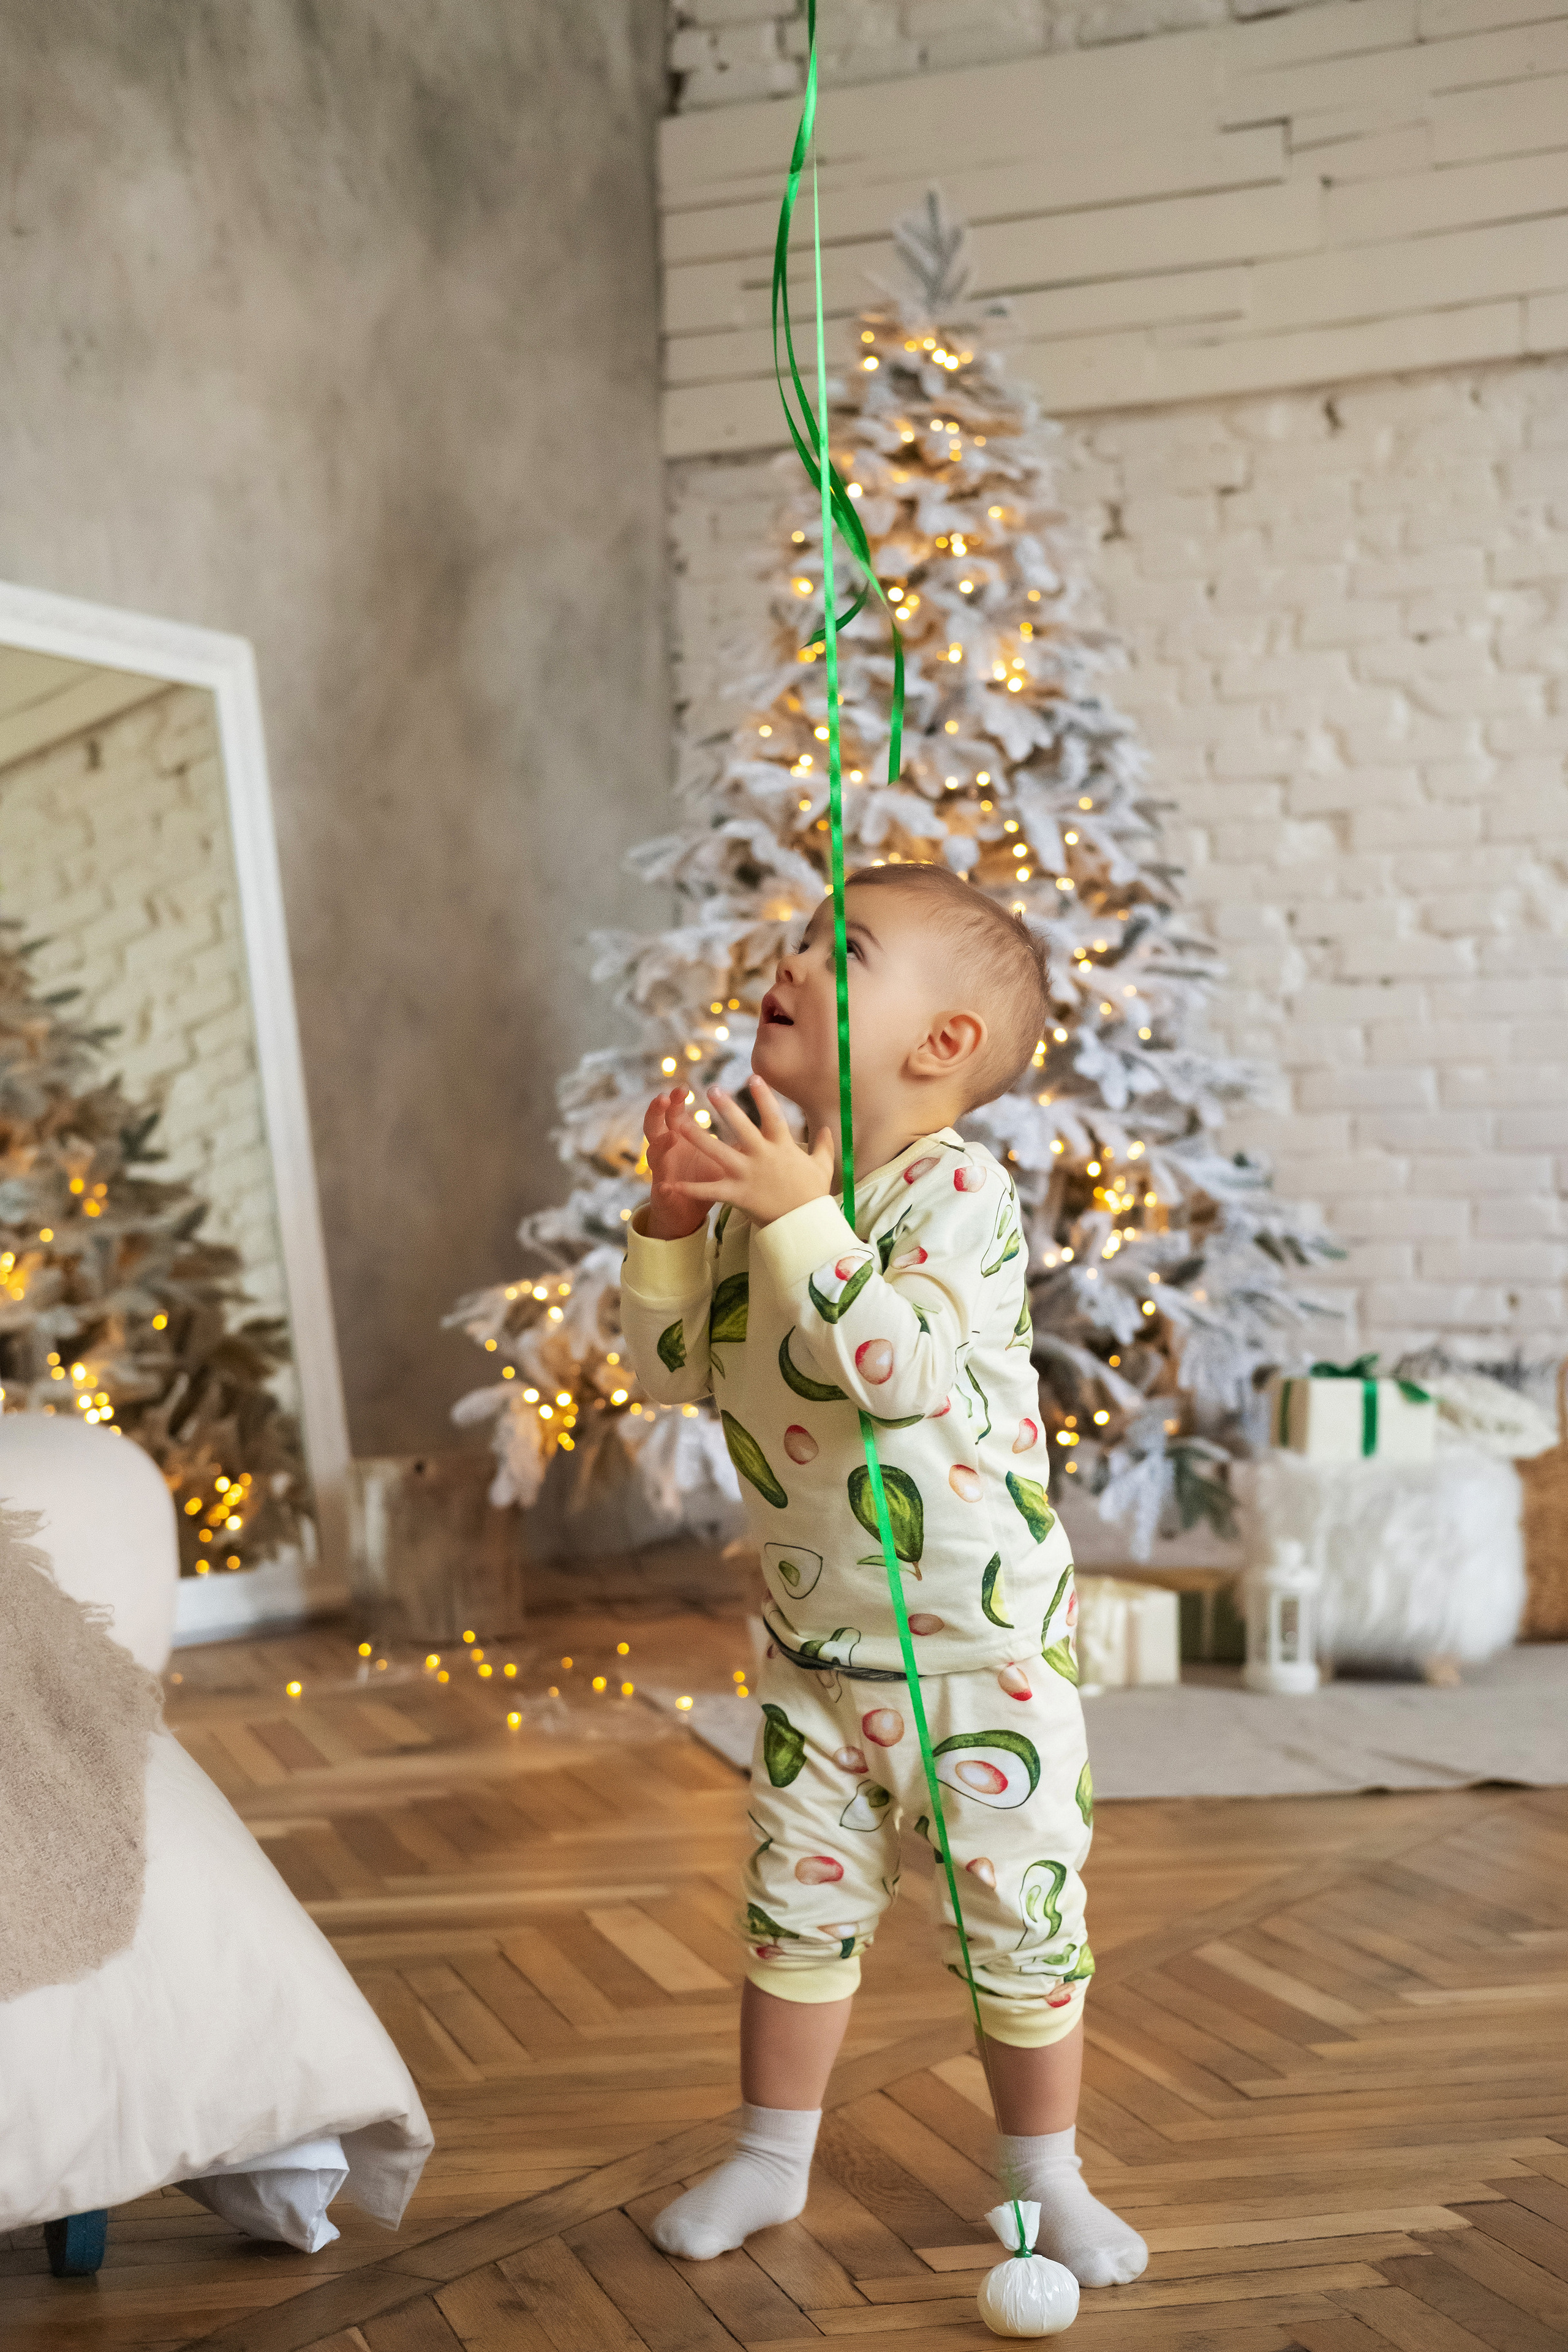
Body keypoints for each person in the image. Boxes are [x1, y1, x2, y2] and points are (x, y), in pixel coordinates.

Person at [620, 862, 1147, 2290]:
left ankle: (1043, 2183)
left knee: (1017, 1927)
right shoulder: (767, 1194)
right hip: (815, 1658)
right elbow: (670, 1372)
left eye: (836, 949)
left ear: (939, 1048)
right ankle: (769, 2156)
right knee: (792, 1917)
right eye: (792, 938)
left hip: (979, 1658)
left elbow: (894, 1367)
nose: (788, 958)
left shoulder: (953, 1193)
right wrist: (675, 1221)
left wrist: (794, 1212)